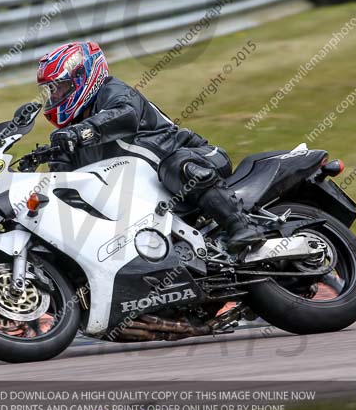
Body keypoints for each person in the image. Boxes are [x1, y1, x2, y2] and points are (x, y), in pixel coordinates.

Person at [37, 41, 264, 253]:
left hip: (199, 160)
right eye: (51, 90)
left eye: (60, 87)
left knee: (176, 165)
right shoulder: (68, 135)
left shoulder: (113, 93)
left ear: (82, 78)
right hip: (154, 195)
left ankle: (241, 225)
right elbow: (63, 183)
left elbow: (125, 115)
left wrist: (79, 133)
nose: (54, 95)